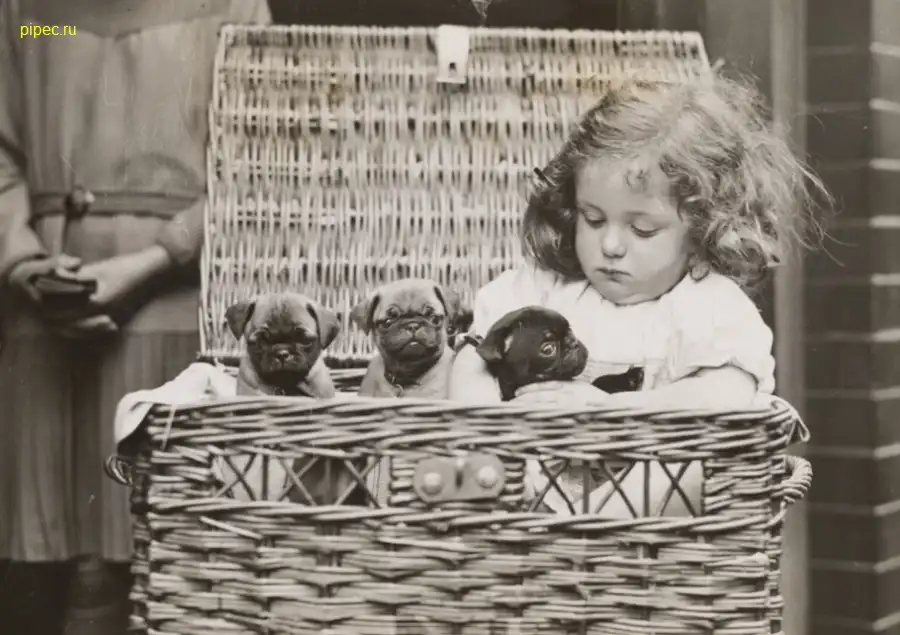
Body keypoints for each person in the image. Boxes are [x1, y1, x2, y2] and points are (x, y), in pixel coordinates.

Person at [0, 1, 271, 634]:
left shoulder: (233, 7)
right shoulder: (28, 11)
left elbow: (257, 153)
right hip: (44, 313)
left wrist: (158, 257)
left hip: (175, 307)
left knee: (153, 569)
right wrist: (23, 264)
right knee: (36, 576)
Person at [448, 73, 827, 516]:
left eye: (642, 228)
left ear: (703, 229)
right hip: (526, 486)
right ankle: (523, 515)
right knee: (441, 459)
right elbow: (475, 356)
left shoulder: (708, 305)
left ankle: (587, 540)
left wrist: (614, 411)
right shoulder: (544, 286)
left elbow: (727, 397)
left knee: (698, 462)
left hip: (640, 510)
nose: (610, 245)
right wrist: (490, 444)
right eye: (592, 219)